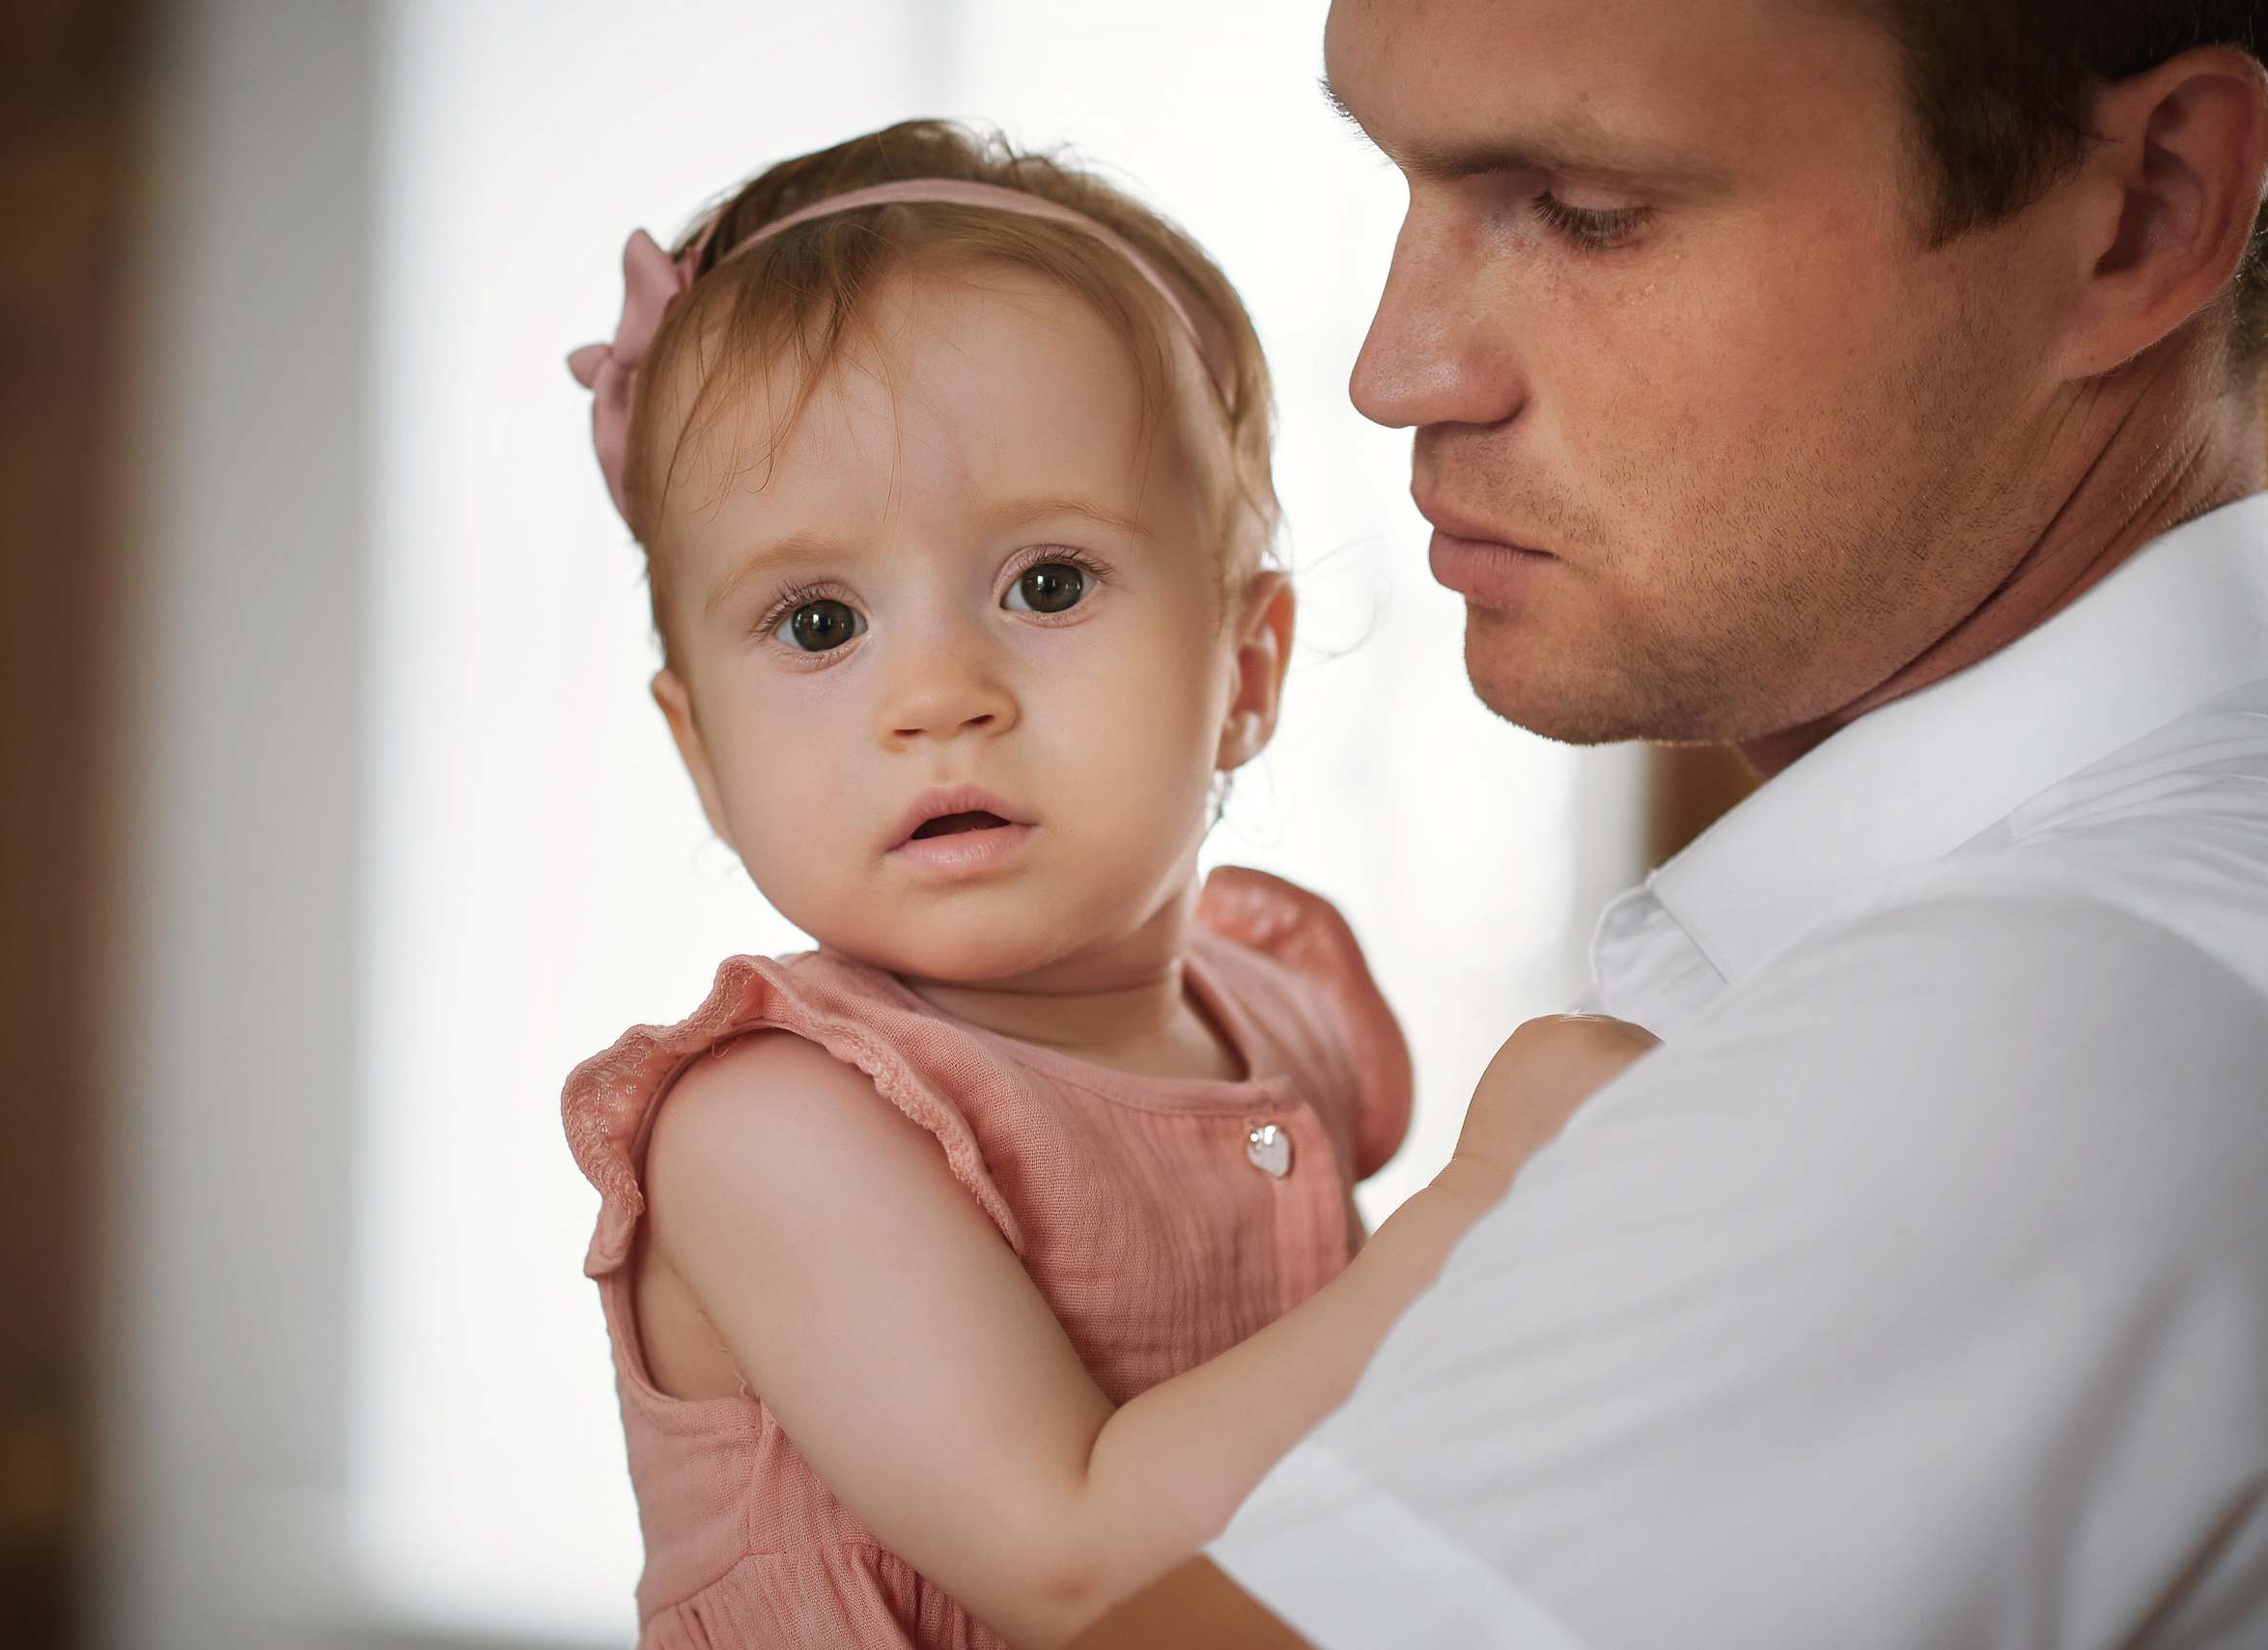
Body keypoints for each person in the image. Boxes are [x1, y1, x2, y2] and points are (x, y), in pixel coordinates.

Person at [1075, 1, 2268, 1646]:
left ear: (2147, 213)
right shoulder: (2260, 885)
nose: (1395, 369)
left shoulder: (2039, 1034)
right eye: (1397, 176)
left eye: (1581, 210)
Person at [556, 123, 1653, 1650]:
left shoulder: (1281, 1005)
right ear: (700, 750)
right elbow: (1070, 1555)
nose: (937, 692)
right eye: (818, 622)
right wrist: (1477, 1206)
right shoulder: (769, 1129)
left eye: (1047, 584)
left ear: (1247, 670)